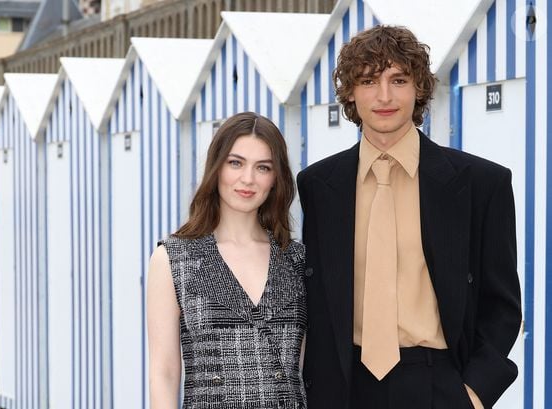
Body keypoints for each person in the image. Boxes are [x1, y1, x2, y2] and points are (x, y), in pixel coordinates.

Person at [297, 25, 521, 409]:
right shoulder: (318, 185)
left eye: (398, 79)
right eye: (368, 81)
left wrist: (474, 394)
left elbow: (502, 305)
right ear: (350, 93)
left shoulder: (482, 184)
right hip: (344, 387)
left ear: (419, 87)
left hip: (440, 385)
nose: (384, 96)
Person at [147, 112, 307, 409]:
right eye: (236, 163)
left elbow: (302, 368)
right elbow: (164, 373)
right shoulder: (173, 258)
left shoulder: (296, 259)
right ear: (216, 168)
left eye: (263, 167)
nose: (248, 179)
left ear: (276, 179)